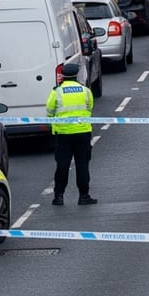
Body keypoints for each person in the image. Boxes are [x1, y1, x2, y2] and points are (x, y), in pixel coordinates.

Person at [46, 63, 97, 206]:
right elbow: (89, 108)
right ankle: (84, 196)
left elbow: (49, 111)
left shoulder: (57, 92)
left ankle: (59, 197)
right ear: (76, 75)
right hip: (82, 132)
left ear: (63, 75)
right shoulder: (85, 90)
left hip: (63, 134)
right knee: (82, 165)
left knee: (62, 165)